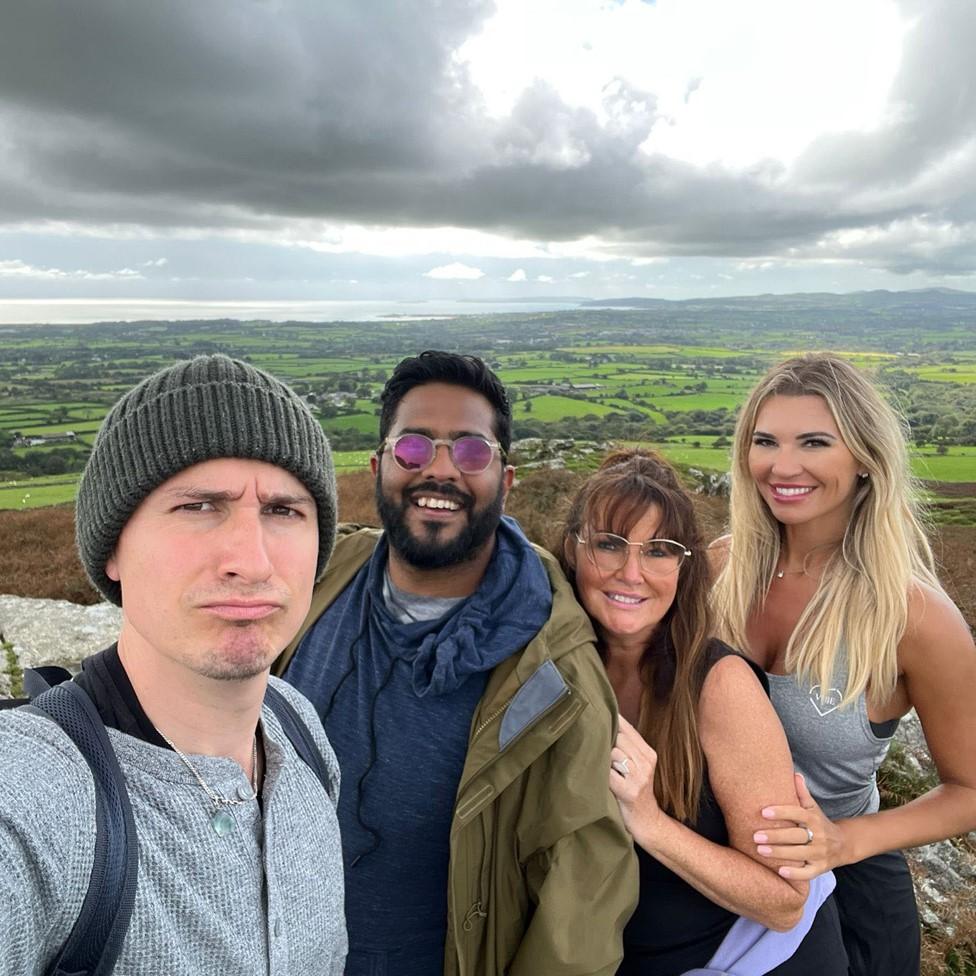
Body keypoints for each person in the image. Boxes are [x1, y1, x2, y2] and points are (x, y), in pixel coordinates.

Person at [276, 350, 637, 976]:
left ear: (507, 479)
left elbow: (580, 900)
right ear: (378, 466)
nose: (439, 471)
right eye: (413, 448)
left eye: (470, 452)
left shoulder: (554, 668)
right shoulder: (319, 577)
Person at [0, 355, 347, 975]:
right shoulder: (36, 795)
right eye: (198, 506)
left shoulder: (299, 732)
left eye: (284, 511)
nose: (252, 560)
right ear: (113, 548)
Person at [710, 353, 976, 976]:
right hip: (713, 869)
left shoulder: (913, 616)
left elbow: (970, 790)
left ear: (863, 460)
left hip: (847, 891)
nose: (783, 465)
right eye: (765, 441)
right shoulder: (719, 571)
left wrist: (844, 843)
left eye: (815, 442)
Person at [558, 449, 848, 976]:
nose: (631, 573)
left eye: (659, 551)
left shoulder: (719, 687)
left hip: (751, 962)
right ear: (572, 549)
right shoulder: (563, 668)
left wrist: (649, 821)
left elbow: (783, 900)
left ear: (683, 566)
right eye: (608, 544)